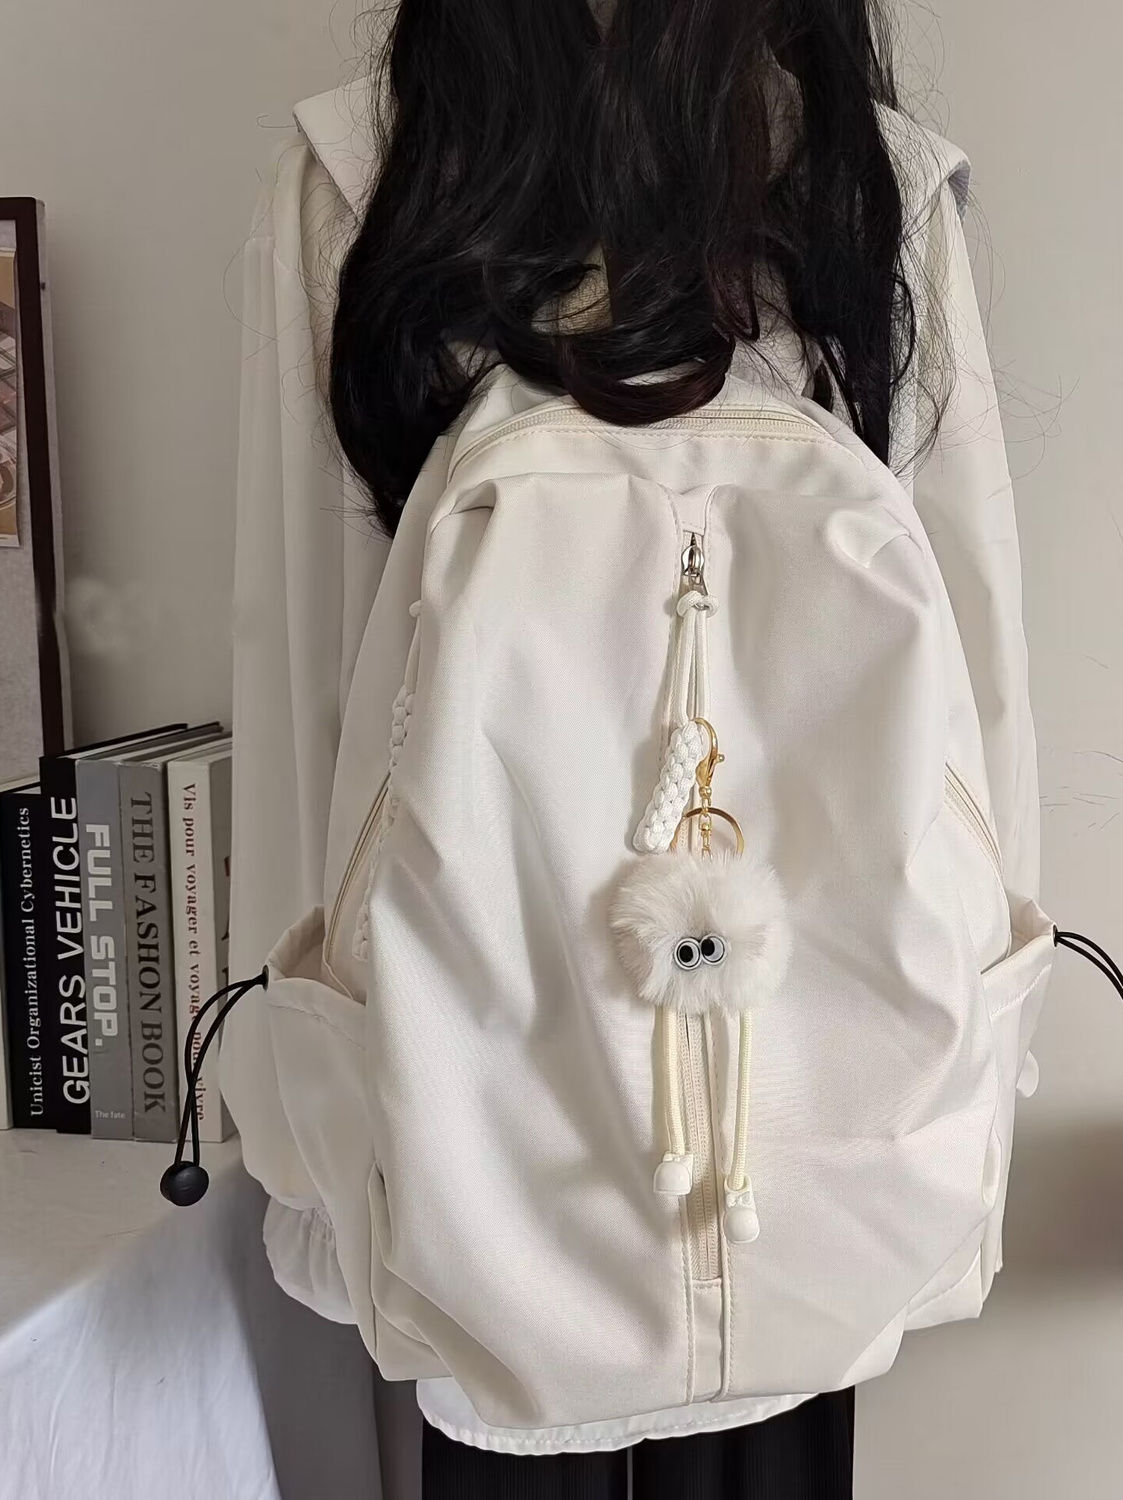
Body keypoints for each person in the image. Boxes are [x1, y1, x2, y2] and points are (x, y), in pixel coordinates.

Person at [221, 2, 1041, 1495]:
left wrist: (302, 1128)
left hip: (716, 1093)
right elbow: (306, 664)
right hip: (524, 1091)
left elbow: (970, 679)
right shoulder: (352, 178)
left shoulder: (880, 187)